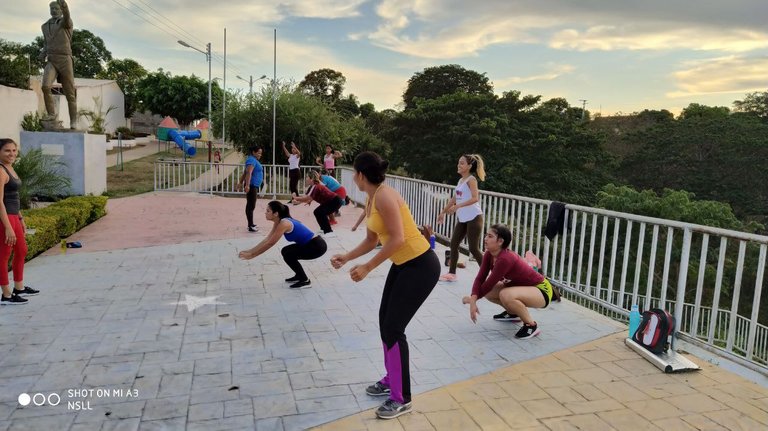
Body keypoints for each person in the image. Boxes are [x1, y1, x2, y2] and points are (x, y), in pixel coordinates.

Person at [331, 151, 440, 420]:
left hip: (421, 265)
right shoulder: (371, 198)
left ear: (359, 174)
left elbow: (398, 239)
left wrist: (368, 267)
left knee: (394, 328)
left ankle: (401, 398)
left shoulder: (385, 195)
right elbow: (372, 240)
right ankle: (392, 379)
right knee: (385, 323)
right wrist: (347, 257)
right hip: (404, 264)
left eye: (353, 172)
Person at [462, 224, 553, 339]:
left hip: (541, 289)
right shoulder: (488, 254)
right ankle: (513, 313)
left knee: (505, 294)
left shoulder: (505, 259)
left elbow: (489, 283)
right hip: (523, 288)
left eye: (490, 236)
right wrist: (473, 299)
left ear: (500, 241)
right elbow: (480, 278)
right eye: (486, 235)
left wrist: (472, 300)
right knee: (490, 292)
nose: (485, 238)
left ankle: (531, 325)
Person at [238, 201, 327, 289]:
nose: (265, 213)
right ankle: (299, 275)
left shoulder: (284, 223)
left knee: (289, 254)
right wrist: (250, 251)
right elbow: (267, 239)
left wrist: (252, 255)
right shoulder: (279, 222)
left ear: (276, 213)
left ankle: (305, 280)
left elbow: (270, 243)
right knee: (285, 251)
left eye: (268, 211)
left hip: (317, 246)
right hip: (312, 244)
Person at [0, 139, 38, 305]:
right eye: (7, 151)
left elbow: (14, 197)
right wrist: (8, 226)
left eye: (14, 150)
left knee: (21, 250)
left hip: (14, 216)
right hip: (5, 218)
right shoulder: (0, 171)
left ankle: (19, 287)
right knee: (3, 256)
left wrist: (21, 218)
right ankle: (6, 295)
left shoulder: (11, 168)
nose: (12, 154)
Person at [437, 154, 486, 282]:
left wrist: (458, 206)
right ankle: (452, 274)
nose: (459, 165)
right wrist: (443, 211)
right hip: (463, 219)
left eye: (462, 163)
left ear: (469, 166)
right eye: (458, 163)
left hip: (474, 218)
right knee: (453, 244)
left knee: (473, 248)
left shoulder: (471, 180)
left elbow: (475, 198)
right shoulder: (460, 181)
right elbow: (454, 198)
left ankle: (488, 275)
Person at [40, 0, 77, 129]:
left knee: (69, 92)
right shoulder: (44, 26)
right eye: (52, 9)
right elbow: (46, 42)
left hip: (65, 59)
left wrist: (65, 5)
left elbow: (67, 16)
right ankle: (51, 114)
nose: (54, 11)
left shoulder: (66, 23)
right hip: (52, 59)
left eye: (57, 8)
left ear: (61, 10)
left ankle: (73, 121)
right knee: (45, 86)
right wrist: (43, 52)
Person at [236, 147, 263, 232]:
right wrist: (247, 185)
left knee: (251, 205)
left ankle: (251, 224)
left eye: (261, 153)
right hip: (251, 185)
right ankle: (250, 225)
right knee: (251, 205)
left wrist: (240, 182)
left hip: (253, 185)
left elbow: (245, 172)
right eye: (258, 153)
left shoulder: (253, 160)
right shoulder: (251, 160)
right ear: (253, 152)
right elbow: (248, 172)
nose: (260, 155)